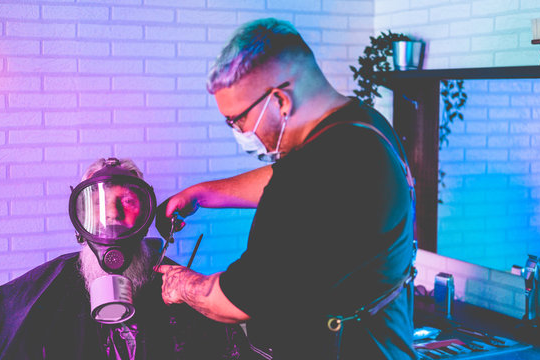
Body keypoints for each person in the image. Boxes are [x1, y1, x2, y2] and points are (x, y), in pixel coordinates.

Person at [155, 18, 417, 360]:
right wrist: (203, 193)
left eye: (237, 120)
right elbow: (287, 180)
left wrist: (180, 284)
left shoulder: (313, 175)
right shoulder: (363, 127)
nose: (238, 131)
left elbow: (234, 301)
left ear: (279, 101)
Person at [0, 158, 252, 360]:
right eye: (98, 203)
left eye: (127, 201)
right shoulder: (47, 288)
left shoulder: (180, 284)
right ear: (80, 218)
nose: (111, 214)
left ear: (146, 213)